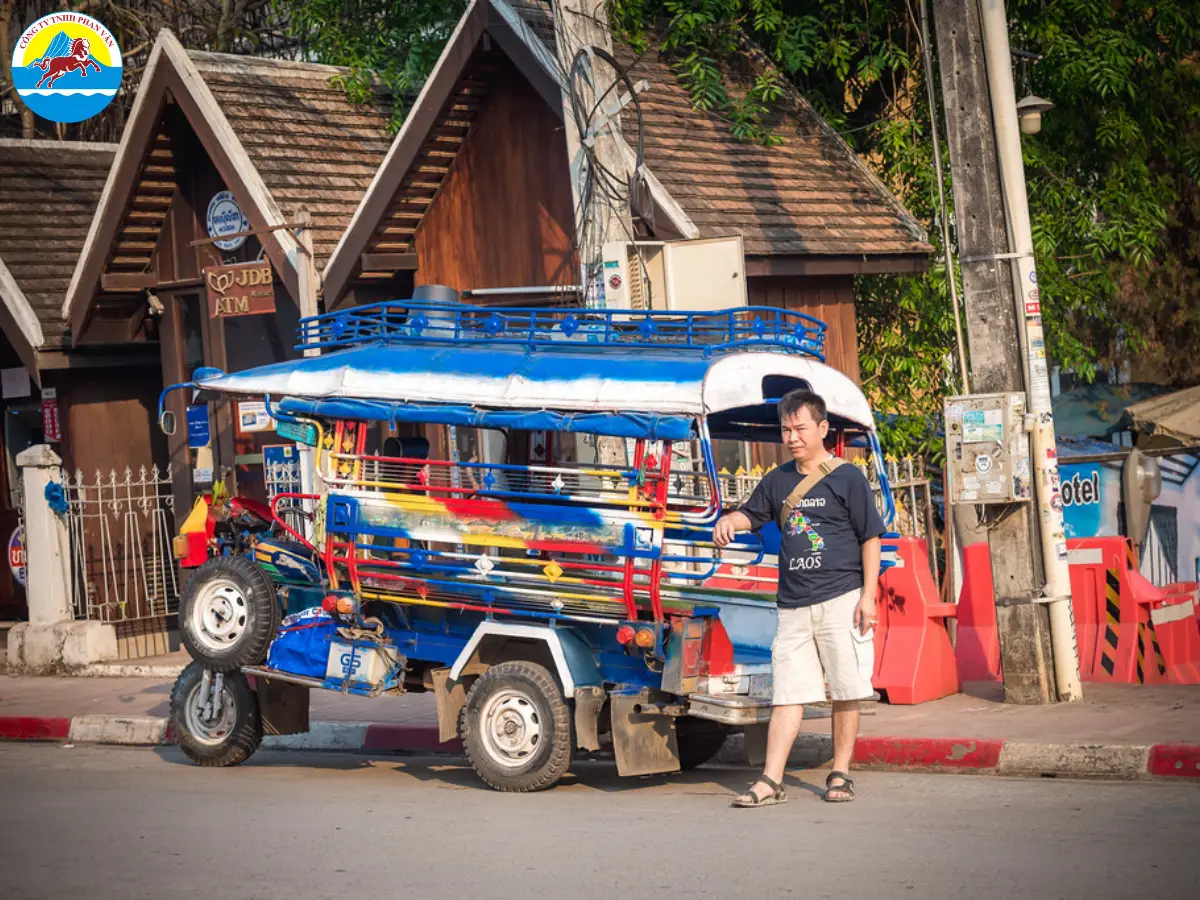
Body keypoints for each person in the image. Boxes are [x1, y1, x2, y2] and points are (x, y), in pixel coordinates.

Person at [714, 389, 884, 807]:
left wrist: (869, 597)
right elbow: (751, 513)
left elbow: (871, 538)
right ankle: (771, 781)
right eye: (786, 429)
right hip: (792, 604)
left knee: (846, 689)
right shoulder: (777, 481)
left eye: (800, 428)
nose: (792, 437)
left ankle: (840, 773)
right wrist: (728, 521)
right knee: (787, 693)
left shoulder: (847, 478)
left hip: (841, 598)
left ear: (822, 429)